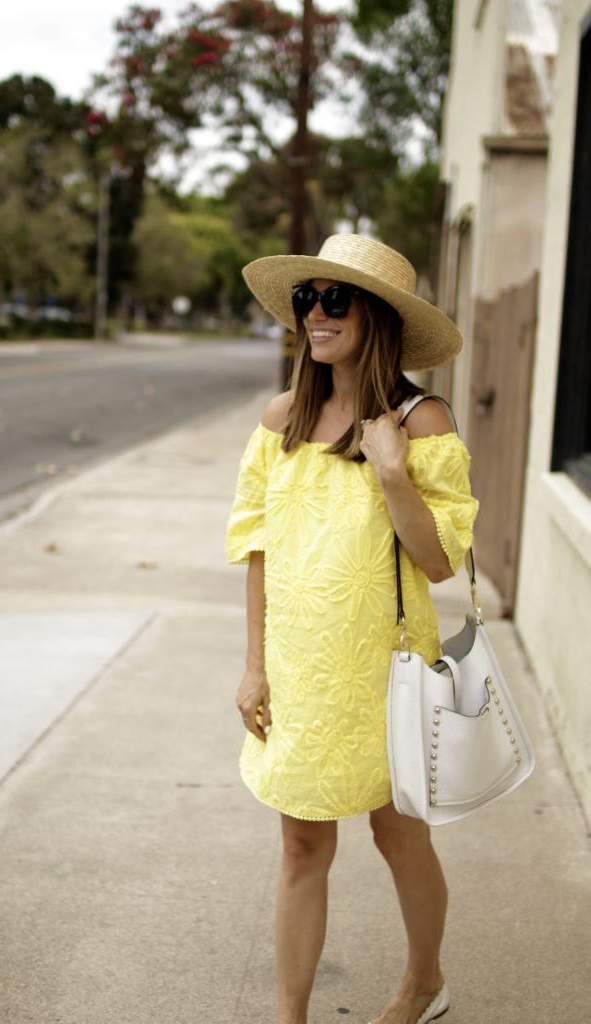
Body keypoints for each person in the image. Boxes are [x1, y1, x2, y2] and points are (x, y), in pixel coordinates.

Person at [225, 234, 479, 1024]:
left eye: (336, 300)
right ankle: (288, 1019)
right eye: (307, 299)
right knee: (301, 847)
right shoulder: (282, 418)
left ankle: (422, 982)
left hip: (386, 669)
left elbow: (439, 562)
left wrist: (394, 469)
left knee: (396, 837)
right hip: (299, 669)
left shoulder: (420, 418)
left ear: (377, 317)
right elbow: (257, 546)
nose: (317, 315)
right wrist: (252, 666)